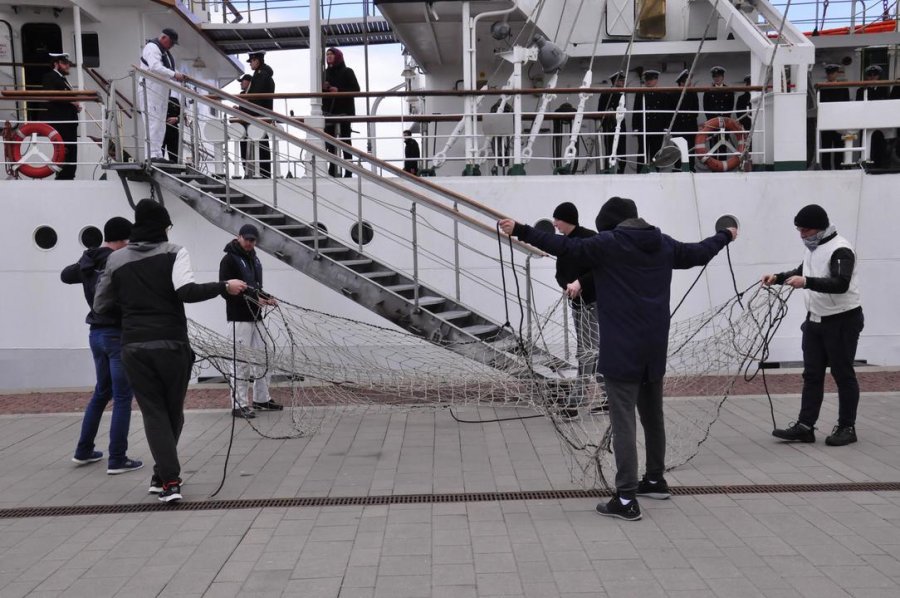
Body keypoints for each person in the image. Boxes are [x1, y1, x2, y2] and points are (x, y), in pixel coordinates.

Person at [499, 197, 737, 521]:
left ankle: (625, 498)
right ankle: (655, 479)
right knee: (653, 416)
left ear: (608, 225)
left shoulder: (608, 244)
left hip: (622, 349)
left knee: (623, 420)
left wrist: (522, 230)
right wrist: (725, 234)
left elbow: (565, 247)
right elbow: (698, 252)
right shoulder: (663, 243)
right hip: (654, 349)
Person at [94, 199, 248, 503]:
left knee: (154, 413)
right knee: (173, 414)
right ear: (163, 227)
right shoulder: (174, 252)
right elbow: (185, 292)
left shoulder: (116, 260)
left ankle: (162, 476)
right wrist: (224, 287)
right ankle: (170, 482)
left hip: (135, 347)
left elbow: (101, 305)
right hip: (172, 345)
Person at [763, 204, 864, 447]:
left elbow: (841, 283)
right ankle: (805, 426)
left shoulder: (841, 249)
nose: (801, 235)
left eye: (805, 230)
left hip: (842, 320)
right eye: (798, 230)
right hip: (815, 321)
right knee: (811, 375)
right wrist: (778, 278)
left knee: (843, 374)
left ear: (818, 228)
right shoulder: (814, 247)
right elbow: (803, 270)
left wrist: (806, 282)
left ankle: (847, 427)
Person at [61, 217, 143, 474]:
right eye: (128, 240)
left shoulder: (89, 260)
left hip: (95, 334)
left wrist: (85, 268)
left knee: (102, 392)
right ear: (122, 239)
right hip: (116, 334)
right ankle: (117, 458)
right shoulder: (117, 261)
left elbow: (66, 275)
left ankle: (83, 451)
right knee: (122, 397)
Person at [219, 224, 283, 419]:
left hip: (256, 316)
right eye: (246, 239)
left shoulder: (254, 258)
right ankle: (239, 404)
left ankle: (261, 399)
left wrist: (267, 297)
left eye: (252, 240)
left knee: (265, 356)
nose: (248, 243)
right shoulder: (229, 260)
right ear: (238, 237)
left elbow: (255, 288)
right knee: (241, 362)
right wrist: (256, 299)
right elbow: (225, 290)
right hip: (239, 318)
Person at [549, 202, 602, 419]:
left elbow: (600, 268)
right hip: (577, 304)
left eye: (557, 219)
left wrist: (580, 283)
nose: (554, 224)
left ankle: (575, 402)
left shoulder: (589, 238)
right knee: (592, 351)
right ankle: (609, 397)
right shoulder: (564, 243)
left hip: (592, 304)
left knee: (586, 353)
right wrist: (567, 286)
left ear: (567, 219)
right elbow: (560, 273)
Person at [140, 28, 185, 162]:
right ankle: (151, 154)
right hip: (150, 89)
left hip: (160, 92)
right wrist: (174, 75)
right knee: (153, 121)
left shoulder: (163, 52)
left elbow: (167, 70)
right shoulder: (152, 48)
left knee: (160, 124)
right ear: (164, 38)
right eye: (171, 42)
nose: (171, 46)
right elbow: (154, 66)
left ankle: (157, 153)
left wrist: (177, 78)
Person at [42, 52, 81, 180]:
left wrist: (74, 105)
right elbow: (52, 96)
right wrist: (71, 102)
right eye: (64, 63)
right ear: (56, 64)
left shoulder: (62, 79)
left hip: (69, 121)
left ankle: (69, 175)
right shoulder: (50, 77)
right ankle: (64, 176)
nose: (67, 66)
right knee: (66, 150)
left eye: (68, 64)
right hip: (61, 121)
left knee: (71, 150)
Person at [323, 47, 361, 177]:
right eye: (327, 54)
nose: (328, 56)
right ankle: (332, 169)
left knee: (345, 141)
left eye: (331, 54)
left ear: (337, 56)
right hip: (329, 112)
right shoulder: (324, 73)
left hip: (344, 111)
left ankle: (348, 171)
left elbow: (356, 90)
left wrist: (338, 90)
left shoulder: (347, 72)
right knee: (330, 142)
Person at [631, 70, 672, 171]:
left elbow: (666, 110)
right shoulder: (640, 93)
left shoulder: (662, 94)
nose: (648, 82)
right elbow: (636, 110)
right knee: (642, 151)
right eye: (647, 80)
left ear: (656, 80)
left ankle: (656, 170)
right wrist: (635, 127)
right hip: (643, 127)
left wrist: (666, 126)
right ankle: (640, 170)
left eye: (651, 79)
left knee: (656, 151)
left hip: (657, 127)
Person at [246, 52, 275, 177]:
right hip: (260, 114)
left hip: (258, 114)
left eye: (252, 61)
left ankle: (263, 172)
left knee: (261, 143)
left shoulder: (261, 75)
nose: (251, 64)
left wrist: (243, 108)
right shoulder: (261, 74)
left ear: (257, 61)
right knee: (262, 142)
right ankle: (263, 171)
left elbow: (256, 97)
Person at [855, 65, 890, 168]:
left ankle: (879, 166)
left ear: (879, 76)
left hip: (879, 122)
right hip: (866, 122)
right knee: (865, 144)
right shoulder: (861, 91)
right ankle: (865, 165)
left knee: (879, 145)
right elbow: (858, 107)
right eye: (870, 75)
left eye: (875, 75)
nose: (872, 77)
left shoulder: (884, 89)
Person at [819, 65, 850, 170]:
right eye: (829, 73)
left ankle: (839, 168)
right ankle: (826, 169)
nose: (830, 75)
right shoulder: (821, 88)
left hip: (839, 122)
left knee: (839, 148)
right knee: (826, 147)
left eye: (832, 73)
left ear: (837, 73)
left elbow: (846, 104)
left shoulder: (843, 88)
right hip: (826, 122)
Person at [597, 71, 627, 173]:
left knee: (622, 149)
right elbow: (600, 111)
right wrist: (608, 113)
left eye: (623, 80)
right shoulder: (606, 94)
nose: (623, 82)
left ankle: (621, 169)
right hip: (609, 126)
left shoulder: (623, 93)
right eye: (620, 80)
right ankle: (609, 168)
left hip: (621, 125)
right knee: (609, 149)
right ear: (614, 81)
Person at [673, 69, 699, 171]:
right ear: (681, 83)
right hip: (678, 127)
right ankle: (678, 168)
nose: (689, 83)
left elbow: (696, 111)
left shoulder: (693, 93)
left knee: (691, 149)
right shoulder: (673, 94)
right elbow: (671, 111)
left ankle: (691, 168)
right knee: (677, 149)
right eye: (687, 81)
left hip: (690, 126)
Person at [235, 73, 254, 177]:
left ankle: (251, 172)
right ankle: (246, 172)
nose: (241, 83)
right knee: (243, 152)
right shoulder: (242, 94)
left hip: (250, 127)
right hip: (243, 127)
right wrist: (238, 110)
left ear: (248, 82)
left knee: (251, 151)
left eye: (242, 81)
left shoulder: (252, 94)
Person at [161, 96, 181, 162]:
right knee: (159, 156)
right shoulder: (156, 99)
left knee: (174, 157)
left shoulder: (174, 100)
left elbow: (183, 115)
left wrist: (176, 119)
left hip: (173, 130)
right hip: (160, 131)